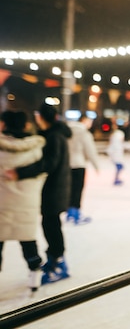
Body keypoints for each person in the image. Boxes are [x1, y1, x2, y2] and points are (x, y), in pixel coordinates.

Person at [9, 103, 73, 285]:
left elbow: (49, 163)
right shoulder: (53, 134)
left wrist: (21, 172)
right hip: (53, 188)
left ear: (42, 117)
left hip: (54, 189)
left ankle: (59, 263)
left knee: (51, 226)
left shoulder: (54, 137)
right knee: (50, 224)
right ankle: (55, 258)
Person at [0, 110, 47, 291]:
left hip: (2, 203)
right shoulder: (36, 148)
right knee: (28, 240)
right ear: (25, 125)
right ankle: (35, 273)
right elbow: (42, 171)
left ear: (4, 124)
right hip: (26, 203)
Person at [67, 114, 99, 224]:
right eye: (89, 121)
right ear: (83, 120)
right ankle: (76, 214)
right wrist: (96, 165)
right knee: (77, 190)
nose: (90, 124)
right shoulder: (84, 133)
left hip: (67, 165)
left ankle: (69, 213)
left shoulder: (67, 131)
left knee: (70, 189)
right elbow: (90, 150)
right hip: (79, 164)